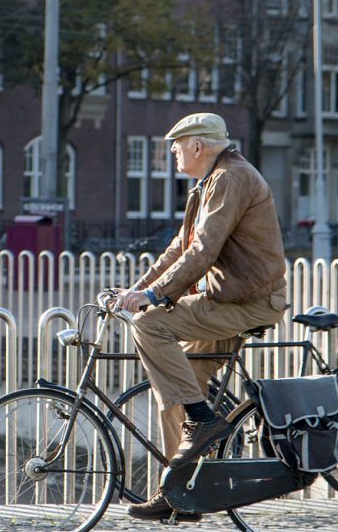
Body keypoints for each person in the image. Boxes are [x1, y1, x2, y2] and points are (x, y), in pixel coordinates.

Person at [118, 112, 288, 521]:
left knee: (150, 324)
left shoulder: (230, 179)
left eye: (177, 145)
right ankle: (179, 492)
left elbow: (202, 251)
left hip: (246, 302)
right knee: (177, 387)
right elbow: (179, 248)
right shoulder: (208, 183)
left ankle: (203, 420)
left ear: (198, 146)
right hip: (230, 299)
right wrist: (135, 291)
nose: (173, 152)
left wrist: (154, 298)